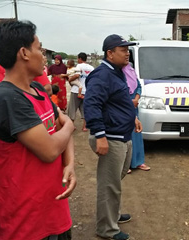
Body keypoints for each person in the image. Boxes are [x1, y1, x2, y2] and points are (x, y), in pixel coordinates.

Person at [0, 20, 76, 240]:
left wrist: (70, 164)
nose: (43, 56)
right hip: (25, 224)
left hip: (54, 211)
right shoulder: (7, 98)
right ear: (24, 53)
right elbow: (50, 150)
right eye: (39, 48)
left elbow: (60, 128)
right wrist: (71, 125)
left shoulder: (36, 89)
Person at [84, 34, 142, 240]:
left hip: (122, 133)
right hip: (110, 136)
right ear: (110, 53)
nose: (127, 53)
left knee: (116, 179)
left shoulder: (117, 72)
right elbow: (91, 105)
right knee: (109, 184)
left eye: (128, 49)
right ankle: (106, 228)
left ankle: (113, 215)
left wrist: (132, 119)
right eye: (123, 50)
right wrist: (99, 135)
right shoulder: (102, 75)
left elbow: (120, 100)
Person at [123, 63, 150, 173]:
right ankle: (126, 164)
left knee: (136, 133)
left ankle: (138, 162)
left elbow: (138, 86)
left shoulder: (131, 71)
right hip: (123, 106)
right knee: (126, 133)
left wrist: (136, 98)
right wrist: (130, 102)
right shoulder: (118, 73)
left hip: (134, 105)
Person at [68, 52, 94, 132]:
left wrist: (70, 79)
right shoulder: (91, 68)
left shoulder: (79, 66)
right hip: (86, 91)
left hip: (76, 90)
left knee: (72, 108)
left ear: (80, 59)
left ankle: (71, 126)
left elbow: (77, 75)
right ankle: (84, 127)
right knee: (85, 109)